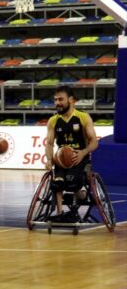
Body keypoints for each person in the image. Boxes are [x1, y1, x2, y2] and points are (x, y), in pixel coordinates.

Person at [44, 85, 98, 220]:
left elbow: (94, 142)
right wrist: (49, 159)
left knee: (72, 181)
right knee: (57, 183)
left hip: (80, 158)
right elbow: (49, 143)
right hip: (62, 159)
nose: (57, 103)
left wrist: (83, 153)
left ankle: (79, 199)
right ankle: (60, 213)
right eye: (55, 100)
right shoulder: (53, 121)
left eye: (61, 99)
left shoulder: (83, 117)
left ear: (71, 100)